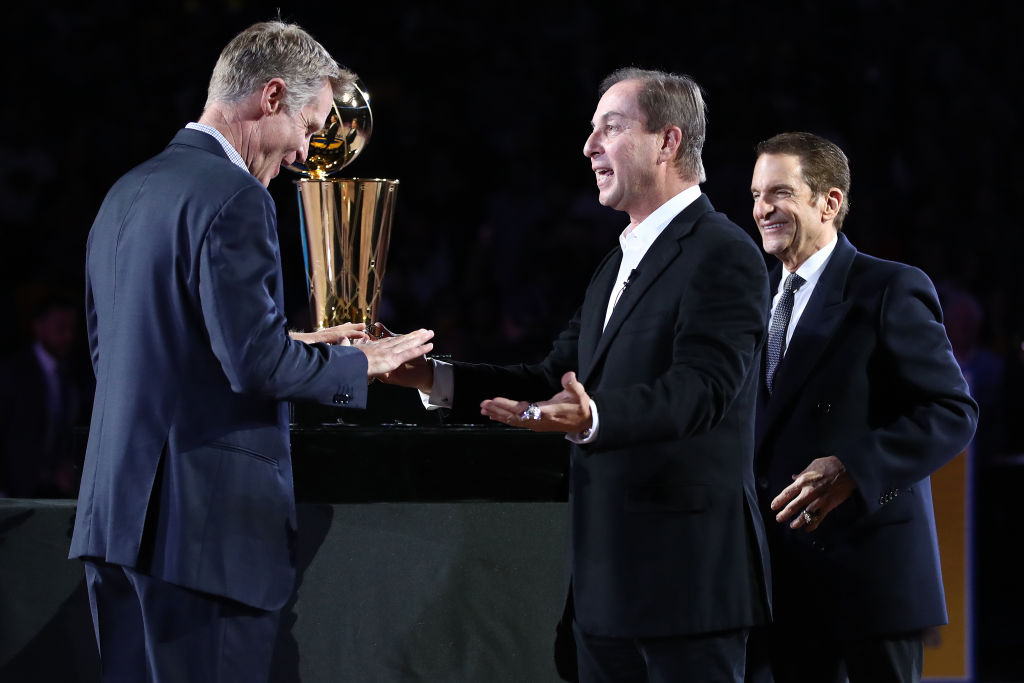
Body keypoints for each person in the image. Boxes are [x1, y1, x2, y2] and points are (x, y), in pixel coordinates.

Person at [68, 21, 433, 683]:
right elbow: (254, 368)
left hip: (113, 524)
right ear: (271, 97)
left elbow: (132, 350)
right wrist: (363, 363)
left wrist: (295, 341)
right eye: (310, 124)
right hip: (201, 533)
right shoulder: (234, 195)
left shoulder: (127, 191)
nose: (305, 151)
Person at [387, 68, 772, 682]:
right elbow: (549, 377)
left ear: (668, 142)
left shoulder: (723, 253)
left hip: (687, 588)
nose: (589, 146)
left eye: (611, 128)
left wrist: (595, 417)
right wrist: (431, 378)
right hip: (604, 594)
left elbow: (703, 390)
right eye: (592, 129)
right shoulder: (615, 263)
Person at [746, 132, 978, 683]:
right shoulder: (751, 301)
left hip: (872, 580)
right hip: (779, 583)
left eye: (779, 192)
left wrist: (854, 467)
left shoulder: (888, 287)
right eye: (755, 194)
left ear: (829, 201)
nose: (761, 209)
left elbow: (952, 411)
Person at [0, 293, 92, 497]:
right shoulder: (13, 374)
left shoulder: (76, 373)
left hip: (62, 490)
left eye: (72, 328)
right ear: (39, 327)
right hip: (16, 491)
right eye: (60, 328)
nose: (69, 336)